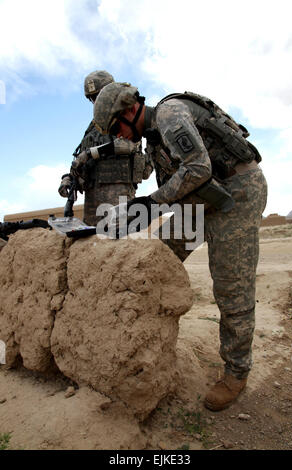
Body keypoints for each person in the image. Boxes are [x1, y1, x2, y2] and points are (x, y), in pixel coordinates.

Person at [93, 82, 268, 411]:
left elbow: (198, 168)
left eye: (117, 127)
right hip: (204, 199)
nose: (120, 136)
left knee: (233, 287)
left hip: (238, 193)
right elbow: (176, 183)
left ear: (130, 111)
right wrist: (138, 213)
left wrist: (150, 203)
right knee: (159, 256)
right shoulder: (153, 138)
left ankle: (236, 373)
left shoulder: (170, 115)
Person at [58, 71, 153, 226]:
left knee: (117, 239)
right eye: (92, 98)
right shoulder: (92, 128)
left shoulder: (125, 116)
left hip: (118, 190)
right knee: (91, 241)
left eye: (98, 96)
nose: (95, 101)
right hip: (92, 194)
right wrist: (68, 178)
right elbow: (81, 159)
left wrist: (91, 154)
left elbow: (130, 145)